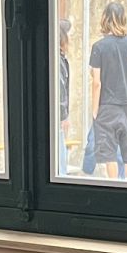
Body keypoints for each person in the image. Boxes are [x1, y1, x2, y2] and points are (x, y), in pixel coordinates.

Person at [88, 1, 127, 179]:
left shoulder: (99, 47)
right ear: (123, 18)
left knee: (109, 155)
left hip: (107, 107)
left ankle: (113, 184)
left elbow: (97, 82)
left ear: (105, 19)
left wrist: (95, 110)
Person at [58, 18, 71, 174]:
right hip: (57, 118)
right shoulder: (58, 60)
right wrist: (63, 116)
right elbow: (60, 88)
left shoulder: (58, 59)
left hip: (57, 116)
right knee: (59, 156)